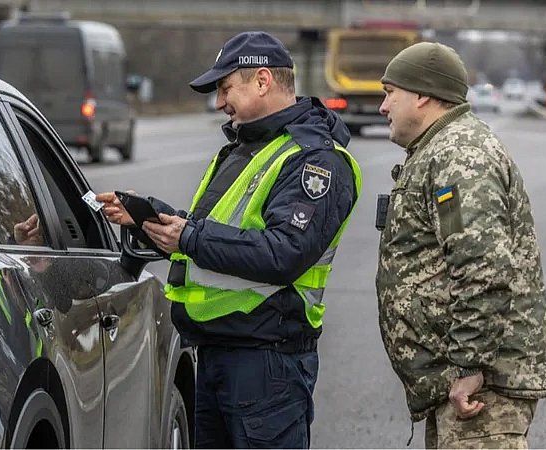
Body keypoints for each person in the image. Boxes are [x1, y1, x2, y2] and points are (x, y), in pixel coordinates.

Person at [96, 31, 361, 449]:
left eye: (225, 88)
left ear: (262, 81)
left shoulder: (314, 160)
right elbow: (215, 230)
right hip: (218, 353)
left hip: (267, 365)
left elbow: (284, 253)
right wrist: (149, 216)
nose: (219, 102)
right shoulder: (246, 148)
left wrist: (188, 236)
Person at [375, 42, 546, 449]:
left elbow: (482, 267)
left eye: (390, 93)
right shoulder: (443, 150)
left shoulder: (460, 156)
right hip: (460, 380)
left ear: (422, 95)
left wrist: (470, 364)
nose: (383, 107)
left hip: (480, 389)